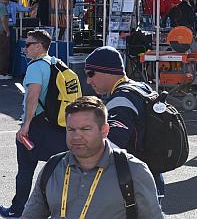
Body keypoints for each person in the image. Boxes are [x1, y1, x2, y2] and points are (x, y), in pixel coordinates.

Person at [21, 96, 163, 219]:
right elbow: (31, 215)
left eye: (85, 129)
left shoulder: (132, 170)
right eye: (71, 129)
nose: (76, 136)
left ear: (104, 130)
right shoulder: (53, 167)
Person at [83, 46, 165, 200]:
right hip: (152, 178)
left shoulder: (121, 100)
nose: (88, 80)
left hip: (134, 186)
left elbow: (111, 147)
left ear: (108, 71)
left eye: (91, 74)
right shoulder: (141, 87)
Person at [0, 31, 67, 218]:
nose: (25, 48)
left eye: (28, 44)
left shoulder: (36, 67)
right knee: (59, 168)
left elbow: (33, 96)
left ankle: (17, 209)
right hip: (55, 124)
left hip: (36, 125)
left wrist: (25, 125)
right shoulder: (54, 62)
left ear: (39, 46)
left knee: (25, 170)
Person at [0, 0, 10, 79]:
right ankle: (2, 73)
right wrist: (7, 31)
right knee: (3, 53)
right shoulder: (2, 7)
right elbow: (3, 19)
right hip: (1, 33)